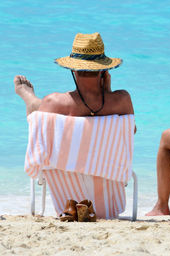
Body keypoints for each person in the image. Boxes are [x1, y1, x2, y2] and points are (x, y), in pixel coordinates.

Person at [15, 32, 135, 220]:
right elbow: (129, 132)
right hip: (107, 200)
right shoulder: (122, 100)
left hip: (66, 199)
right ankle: (33, 103)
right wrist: (108, 92)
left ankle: (31, 101)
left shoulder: (55, 102)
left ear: (73, 69)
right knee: (43, 113)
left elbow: (38, 140)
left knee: (38, 118)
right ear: (104, 71)